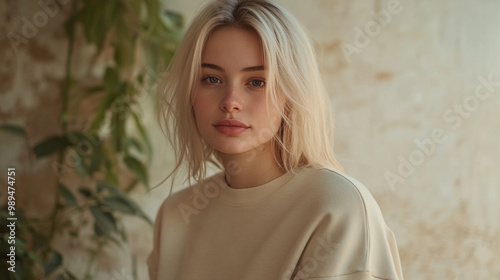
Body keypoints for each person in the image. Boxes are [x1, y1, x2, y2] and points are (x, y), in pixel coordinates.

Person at [148, 0, 404, 279]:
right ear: (190, 91)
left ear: (292, 94)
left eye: (257, 82)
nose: (231, 102)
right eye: (211, 79)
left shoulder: (337, 207)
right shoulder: (176, 216)